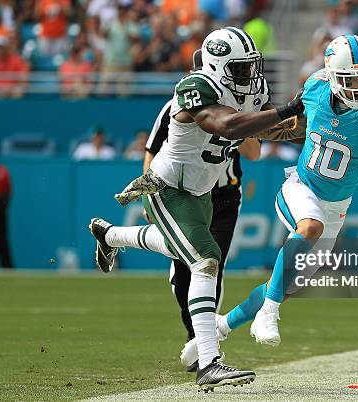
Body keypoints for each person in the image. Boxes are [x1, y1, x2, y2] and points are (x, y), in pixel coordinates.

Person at [87, 27, 306, 391]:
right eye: (239, 68)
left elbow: (272, 131)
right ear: (218, 66)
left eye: (251, 66)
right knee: (205, 259)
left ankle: (109, 235)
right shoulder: (195, 87)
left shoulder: (248, 91)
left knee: (180, 248)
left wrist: (322, 125)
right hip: (167, 188)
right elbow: (225, 124)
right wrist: (286, 109)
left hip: (200, 192)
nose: (249, 76)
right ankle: (209, 363)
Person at [201, 35, 358, 351]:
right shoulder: (315, 89)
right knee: (310, 227)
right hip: (300, 188)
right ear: (333, 75)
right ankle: (268, 313)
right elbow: (297, 129)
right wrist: (245, 130)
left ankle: (222, 325)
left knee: (284, 284)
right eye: (351, 78)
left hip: (336, 205)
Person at [143, 49, 261, 366]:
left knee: (211, 264)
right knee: (184, 275)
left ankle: (202, 346)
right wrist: (149, 189)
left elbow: (254, 153)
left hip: (223, 195)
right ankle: (112, 236)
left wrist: (240, 122)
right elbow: (153, 150)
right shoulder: (178, 106)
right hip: (185, 194)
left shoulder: (239, 106)